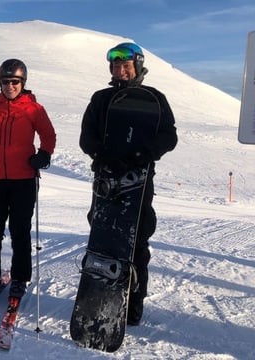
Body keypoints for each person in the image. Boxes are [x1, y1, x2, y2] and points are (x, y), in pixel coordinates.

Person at [79, 42, 177, 325]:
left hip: (138, 181)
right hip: (106, 178)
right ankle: (98, 297)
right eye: (116, 65)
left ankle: (133, 305)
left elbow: (168, 137)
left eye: (126, 65)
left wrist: (141, 156)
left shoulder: (154, 98)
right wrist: (103, 156)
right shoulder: (101, 99)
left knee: (137, 239)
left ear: (137, 66)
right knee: (103, 236)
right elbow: (87, 138)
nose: (120, 70)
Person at [0, 59, 56, 301]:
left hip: (24, 179)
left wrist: (43, 155)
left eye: (14, 82)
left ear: (23, 83)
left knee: (20, 230)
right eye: (5, 81)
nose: (10, 86)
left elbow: (48, 135)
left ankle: (20, 278)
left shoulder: (34, 109)